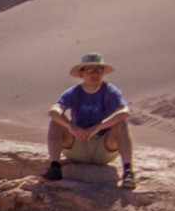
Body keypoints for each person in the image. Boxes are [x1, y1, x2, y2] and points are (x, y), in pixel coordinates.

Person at [44, 52, 135, 188]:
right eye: (90, 70)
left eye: (98, 70)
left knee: (121, 123)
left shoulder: (111, 91)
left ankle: (128, 172)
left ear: (103, 73)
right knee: (56, 122)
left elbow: (124, 111)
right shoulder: (73, 92)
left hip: (103, 147)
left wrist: (98, 127)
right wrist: (71, 127)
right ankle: (55, 168)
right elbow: (54, 111)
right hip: (78, 143)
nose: (94, 74)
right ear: (82, 74)